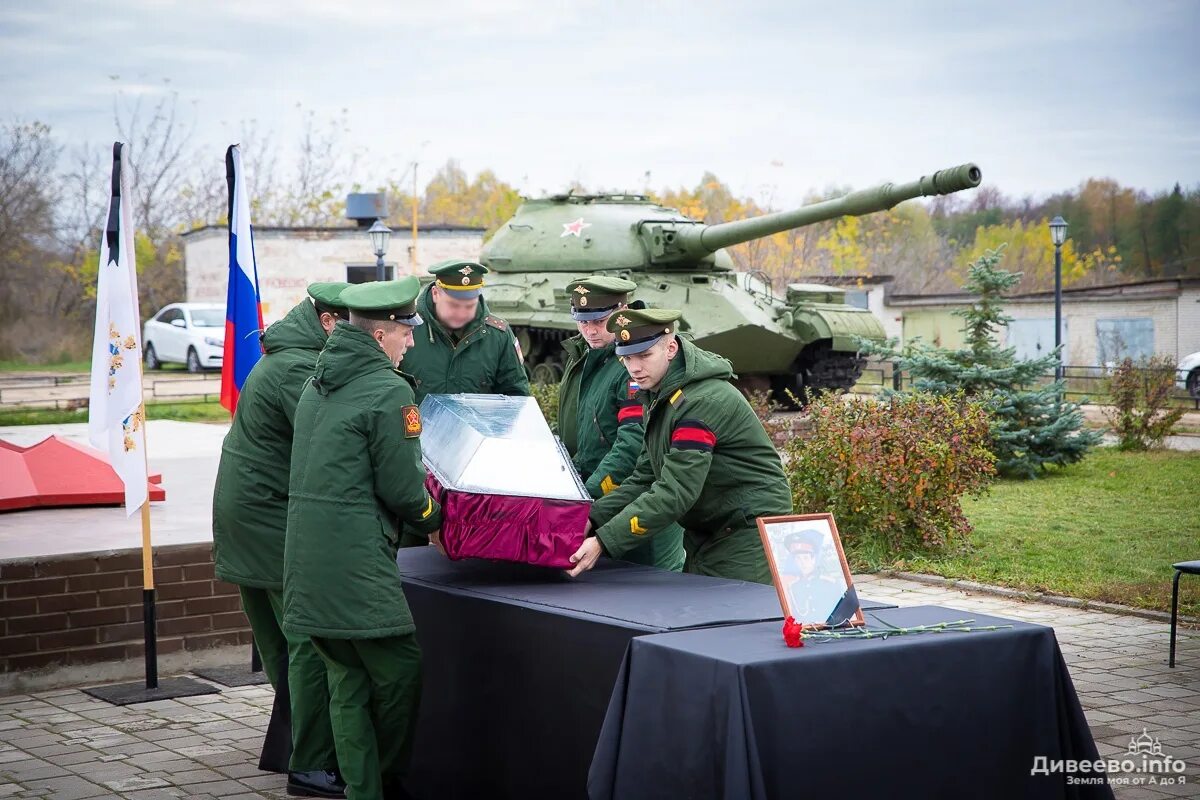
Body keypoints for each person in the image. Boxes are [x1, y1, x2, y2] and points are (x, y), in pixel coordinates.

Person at [283, 277, 442, 800]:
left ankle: (362, 789)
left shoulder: (316, 380)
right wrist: (435, 520)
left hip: (307, 561)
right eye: (406, 332)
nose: (411, 342)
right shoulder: (390, 390)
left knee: (347, 679)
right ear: (380, 337)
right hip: (356, 563)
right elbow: (402, 488)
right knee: (400, 669)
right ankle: (387, 779)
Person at [212, 282, 348, 798]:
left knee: (278, 639)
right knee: (309, 640)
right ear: (331, 322)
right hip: (267, 515)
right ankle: (311, 763)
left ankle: (290, 745)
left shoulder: (288, 353)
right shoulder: (298, 366)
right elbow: (333, 435)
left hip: (249, 513)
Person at [565, 308, 792, 584]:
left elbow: (675, 491)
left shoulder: (700, 403)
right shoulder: (661, 394)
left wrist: (602, 541)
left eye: (644, 355)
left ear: (670, 347)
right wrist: (593, 517)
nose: (634, 368)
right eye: (626, 358)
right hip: (710, 528)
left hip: (746, 532)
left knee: (728, 619)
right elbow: (645, 478)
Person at [557, 276, 684, 571]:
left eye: (600, 321)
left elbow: (631, 446)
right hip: (593, 506)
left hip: (632, 511)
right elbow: (577, 425)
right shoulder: (585, 356)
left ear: (621, 311)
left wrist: (586, 499)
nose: (590, 330)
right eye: (583, 322)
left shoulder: (633, 363)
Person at [400, 258, 530, 404]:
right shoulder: (406, 330)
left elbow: (517, 397)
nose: (462, 314)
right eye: (454, 306)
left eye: (469, 306)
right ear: (436, 294)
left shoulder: (498, 335)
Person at [781, 529, 847, 623]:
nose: (802, 562)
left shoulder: (830, 583)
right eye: (798, 559)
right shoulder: (793, 586)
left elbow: (843, 612)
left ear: (814, 559)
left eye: (806, 558)